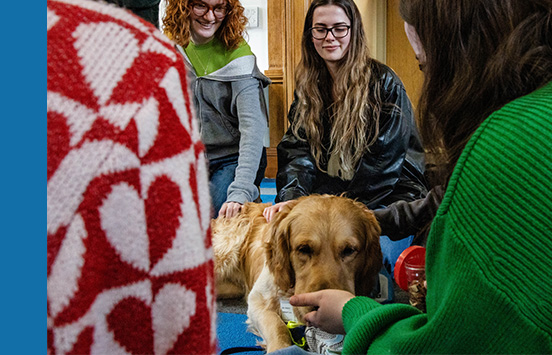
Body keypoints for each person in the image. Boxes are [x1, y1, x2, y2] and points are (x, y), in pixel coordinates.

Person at [283, 0, 552, 354]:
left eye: (425, 66)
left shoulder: (507, 146)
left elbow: (443, 347)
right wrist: (300, 201)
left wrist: (353, 312)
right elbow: (296, 151)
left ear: (464, 55)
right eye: (320, 28)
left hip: (383, 198)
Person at [48, 0, 216, 353]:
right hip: (164, 143)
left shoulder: (235, 62)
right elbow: (179, 309)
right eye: (202, 6)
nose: (210, 16)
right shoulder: (146, 61)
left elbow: (253, 134)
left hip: (211, 156)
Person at [262, 0, 429, 222]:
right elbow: (297, 151)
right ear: (310, 36)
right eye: (320, 29)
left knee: (350, 251)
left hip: (390, 199)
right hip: (333, 198)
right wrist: (295, 199)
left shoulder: (385, 84)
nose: (330, 37)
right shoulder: (309, 86)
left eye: (340, 28)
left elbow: (382, 168)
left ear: (354, 32)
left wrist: (333, 211)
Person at [163, 0, 271, 219]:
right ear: (183, 7)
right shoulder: (171, 49)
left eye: (219, 8)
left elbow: (253, 129)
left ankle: (250, 196)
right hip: (195, 158)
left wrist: (240, 190)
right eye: (200, 6)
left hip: (235, 156)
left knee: (209, 216)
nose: (210, 17)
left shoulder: (239, 56)